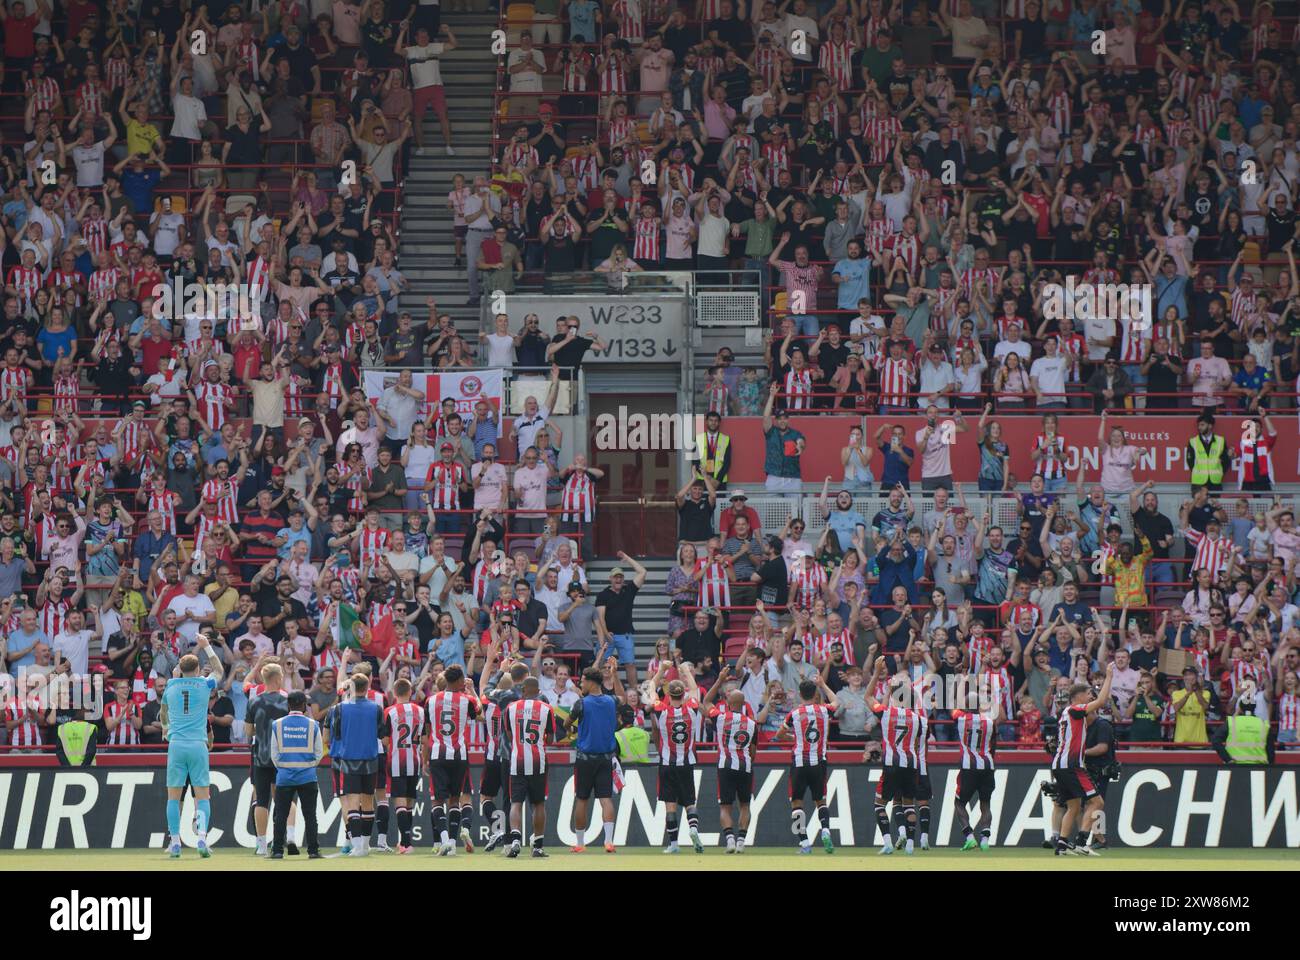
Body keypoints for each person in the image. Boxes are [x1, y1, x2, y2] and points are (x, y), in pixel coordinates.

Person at [161, 635, 224, 859]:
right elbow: (219, 671)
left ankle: (175, 842)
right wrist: (206, 646)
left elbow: (163, 712)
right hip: (198, 744)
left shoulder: (170, 685)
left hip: (176, 744)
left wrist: (165, 729)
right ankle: (201, 838)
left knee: (173, 797)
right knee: (203, 796)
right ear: (198, 669)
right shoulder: (204, 684)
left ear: (180, 668)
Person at [1049, 662, 1114, 857]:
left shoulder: (1067, 714)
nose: (1091, 697)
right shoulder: (1074, 710)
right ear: (1078, 697)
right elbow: (1101, 702)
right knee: (1097, 802)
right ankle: (1081, 842)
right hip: (1071, 764)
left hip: (1060, 764)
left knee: (1074, 805)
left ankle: (1062, 845)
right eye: (1088, 694)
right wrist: (1109, 676)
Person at [863, 656, 924, 856]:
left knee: (879, 803)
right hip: (911, 762)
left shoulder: (886, 713)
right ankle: (910, 846)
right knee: (908, 804)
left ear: (894, 697)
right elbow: (918, 742)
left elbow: (868, 697)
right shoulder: (919, 719)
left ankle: (888, 842)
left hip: (891, 763)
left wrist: (876, 675)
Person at [423, 665, 479, 856]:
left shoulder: (430, 701)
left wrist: (424, 759)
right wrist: (472, 691)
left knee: (437, 800)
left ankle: (445, 839)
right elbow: (480, 715)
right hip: (459, 755)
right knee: (455, 800)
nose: (464, 683)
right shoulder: (467, 700)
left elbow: (427, 730)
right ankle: (453, 844)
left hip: (438, 754)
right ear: (457, 681)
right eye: (462, 680)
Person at [779, 676, 839, 854]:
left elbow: (779, 735)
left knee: (796, 803)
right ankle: (826, 831)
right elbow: (837, 701)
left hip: (799, 763)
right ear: (815, 694)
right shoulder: (824, 710)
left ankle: (805, 844)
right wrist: (823, 684)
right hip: (819, 762)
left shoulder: (794, 714)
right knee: (820, 801)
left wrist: (793, 738)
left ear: (800, 694)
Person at [328, 672, 384, 857]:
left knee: (353, 804)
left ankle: (358, 846)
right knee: (368, 803)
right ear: (368, 687)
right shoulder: (376, 708)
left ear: (350, 687)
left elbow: (333, 736)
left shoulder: (339, 709)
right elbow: (382, 736)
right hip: (370, 760)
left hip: (349, 760)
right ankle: (365, 845)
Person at [567, 666, 619, 854]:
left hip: (585, 759)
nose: (581, 684)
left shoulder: (582, 703)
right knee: (606, 799)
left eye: (582, 680)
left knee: (582, 799)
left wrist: (572, 729)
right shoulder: (611, 701)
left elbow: (567, 723)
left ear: (590, 682)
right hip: (606, 758)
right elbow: (619, 701)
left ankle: (580, 843)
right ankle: (609, 841)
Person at [268, 690, 324, 859]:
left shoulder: (277, 724)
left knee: (281, 815)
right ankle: (313, 850)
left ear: (288, 705)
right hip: (307, 776)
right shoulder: (312, 725)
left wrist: (285, 767)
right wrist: (307, 766)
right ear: (304, 706)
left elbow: (274, 754)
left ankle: (277, 850)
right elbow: (319, 752)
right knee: (310, 815)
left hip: (284, 777)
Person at [650, 678, 703, 854]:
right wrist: (686, 671)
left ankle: (673, 844)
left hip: (667, 763)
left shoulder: (661, 711)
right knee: (689, 802)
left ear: (668, 694)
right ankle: (693, 828)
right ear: (683, 694)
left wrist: (660, 672)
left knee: (670, 804)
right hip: (686, 763)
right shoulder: (693, 709)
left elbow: (651, 688)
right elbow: (695, 689)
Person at [503, 676, 554, 859]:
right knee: (539, 803)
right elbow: (551, 739)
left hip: (518, 760)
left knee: (516, 803)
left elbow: (509, 736)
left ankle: (516, 840)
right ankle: (538, 846)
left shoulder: (510, 708)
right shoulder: (547, 709)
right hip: (538, 761)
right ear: (539, 691)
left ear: (523, 690)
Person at [244, 661, 290, 857]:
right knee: (281, 800)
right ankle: (278, 842)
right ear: (279, 678)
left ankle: (261, 843)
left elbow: (248, 731)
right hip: (283, 758)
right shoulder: (288, 701)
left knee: (261, 801)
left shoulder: (254, 702)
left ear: (263, 679)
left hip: (260, 756)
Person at [380, 677, 426, 854]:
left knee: (399, 801)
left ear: (394, 692)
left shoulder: (389, 712)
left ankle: (406, 843)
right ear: (410, 692)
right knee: (409, 802)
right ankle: (405, 842)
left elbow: (384, 741)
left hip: (396, 760)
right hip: (415, 760)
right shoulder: (420, 711)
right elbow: (423, 739)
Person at [709, 684, 756, 853]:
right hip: (745, 765)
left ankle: (730, 841)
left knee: (725, 806)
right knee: (744, 805)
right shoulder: (752, 723)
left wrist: (720, 680)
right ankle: (741, 842)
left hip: (726, 765)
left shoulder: (721, 718)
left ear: (729, 701)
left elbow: (706, 702)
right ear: (744, 704)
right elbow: (753, 750)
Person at [951, 702, 997, 851]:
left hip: (968, 766)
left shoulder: (961, 718)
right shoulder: (989, 721)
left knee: (959, 803)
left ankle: (969, 837)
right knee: (985, 803)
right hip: (987, 765)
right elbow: (994, 743)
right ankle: (985, 840)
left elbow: (953, 710)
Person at [1081, 695, 1119, 851]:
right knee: (1092, 804)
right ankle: (1099, 837)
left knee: (1096, 803)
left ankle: (1100, 837)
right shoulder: (1086, 726)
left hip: (1100, 771)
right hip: (1089, 770)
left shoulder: (1102, 725)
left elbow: (1102, 748)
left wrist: (1082, 753)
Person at [1213, 692, 1275, 764]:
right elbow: (1271, 751)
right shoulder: (1264, 725)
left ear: (1240, 708)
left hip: (1235, 767)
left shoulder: (1231, 722)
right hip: (1259, 768)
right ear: (1254, 708)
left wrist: (1228, 759)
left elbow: (1215, 740)